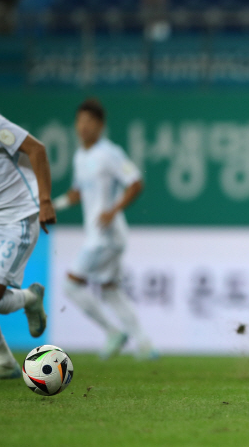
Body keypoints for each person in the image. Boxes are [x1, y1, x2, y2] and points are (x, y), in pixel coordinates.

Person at [53, 98, 155, 360]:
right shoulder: (80, 156)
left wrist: (114, 209)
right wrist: (53, 205)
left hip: (106, 237)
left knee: (70, 285)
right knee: (110, 289)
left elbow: (135, 182)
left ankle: (112, 332)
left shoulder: (109, 152)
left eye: (90, 121)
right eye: (80, 121)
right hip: (98, 235)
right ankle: (145, 345)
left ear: (100, 125)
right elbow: (77, 193)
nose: (84, 126)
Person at [0, 105, 55, 379]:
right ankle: (6, 364)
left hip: (17, 219)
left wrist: (45, 202)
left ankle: (31, 298)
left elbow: (37, 149)